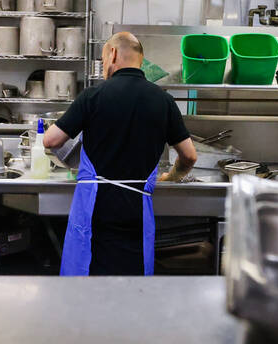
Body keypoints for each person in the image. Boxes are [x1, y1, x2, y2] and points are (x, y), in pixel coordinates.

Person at [43, 32, 197, 275]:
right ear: (141, 60)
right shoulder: (164, 101)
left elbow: (51, 140)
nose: (104, 66)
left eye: (104, 59)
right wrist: (173, 176)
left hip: (97, 209)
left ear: (113, 54)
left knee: (90, 278)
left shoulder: (93, 96)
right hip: (136, 209)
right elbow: (189, 156)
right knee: (132, 282)